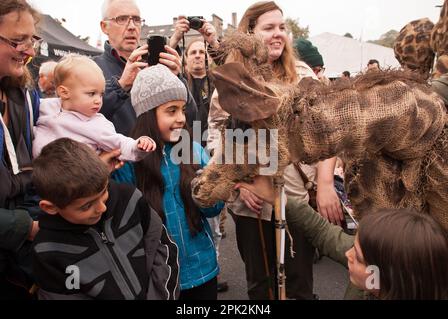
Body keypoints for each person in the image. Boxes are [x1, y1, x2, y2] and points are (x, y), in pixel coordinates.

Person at [207, 1, 342, 300]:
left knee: (299, 287)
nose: (278, 34)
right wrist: (239, 185)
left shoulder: (303, 76)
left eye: (282, 27)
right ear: (249, 34)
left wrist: (325, 184)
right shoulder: (231, 79)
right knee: (260, 287)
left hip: (295, 197)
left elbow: (329, 133)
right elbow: (216, 138)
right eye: (269, 28)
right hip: (250, 206)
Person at [235, 177, 448, 300]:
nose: (347, 254)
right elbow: (323, 233)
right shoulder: (377, 272)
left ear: (391, 276)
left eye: (358, 256)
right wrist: (276, 198)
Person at [31, 138, 179, 300]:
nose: (102, 208)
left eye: (104, 192)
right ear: (50, 207)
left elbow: (163, 248)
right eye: (86, 206)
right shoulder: (48, 249)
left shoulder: (130, 199)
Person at [130, 65, 224, 300]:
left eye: (182, 110)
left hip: (203, 270)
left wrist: (216, 188)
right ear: (148, 114)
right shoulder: (130, 160)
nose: (181, 118)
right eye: (171, 111)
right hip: (158, 277)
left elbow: (213, 209)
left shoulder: (193, 151)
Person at [94, 0, 194, 184]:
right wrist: (121, 85)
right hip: (120, 177)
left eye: (137, 20)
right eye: (122, 19)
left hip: (165, 173)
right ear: (104, 26)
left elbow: (191, 118)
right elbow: (81, 121)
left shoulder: (156, 66)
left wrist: (176, 78)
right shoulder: (92, 69)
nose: (131, 27)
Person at [170, 17, 229, 292]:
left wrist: (211, 40)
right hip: (182, 151)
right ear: (185, 57)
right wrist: (175, 36)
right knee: (183, 213)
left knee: (214, 219)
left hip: (210, 150)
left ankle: (212, 266)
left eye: (201, 53)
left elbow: (232, 69)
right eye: (192, 52)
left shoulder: (216, 82)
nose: (197, 57)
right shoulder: (178, 82)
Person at [32, 54, 156, 161]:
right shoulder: (45, 106)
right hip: (38, 178)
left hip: (74, 182)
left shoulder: (98, 123)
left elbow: (119, 142)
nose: (98, 100)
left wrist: (138, 145)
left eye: (101, 94)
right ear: (64, 92)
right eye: (91, 94)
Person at [0, 0, 41, 298]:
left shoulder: (23, 94)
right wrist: (22, 226)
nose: (29, 50)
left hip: (18, 265)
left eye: (32, 39)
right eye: (18, 40)